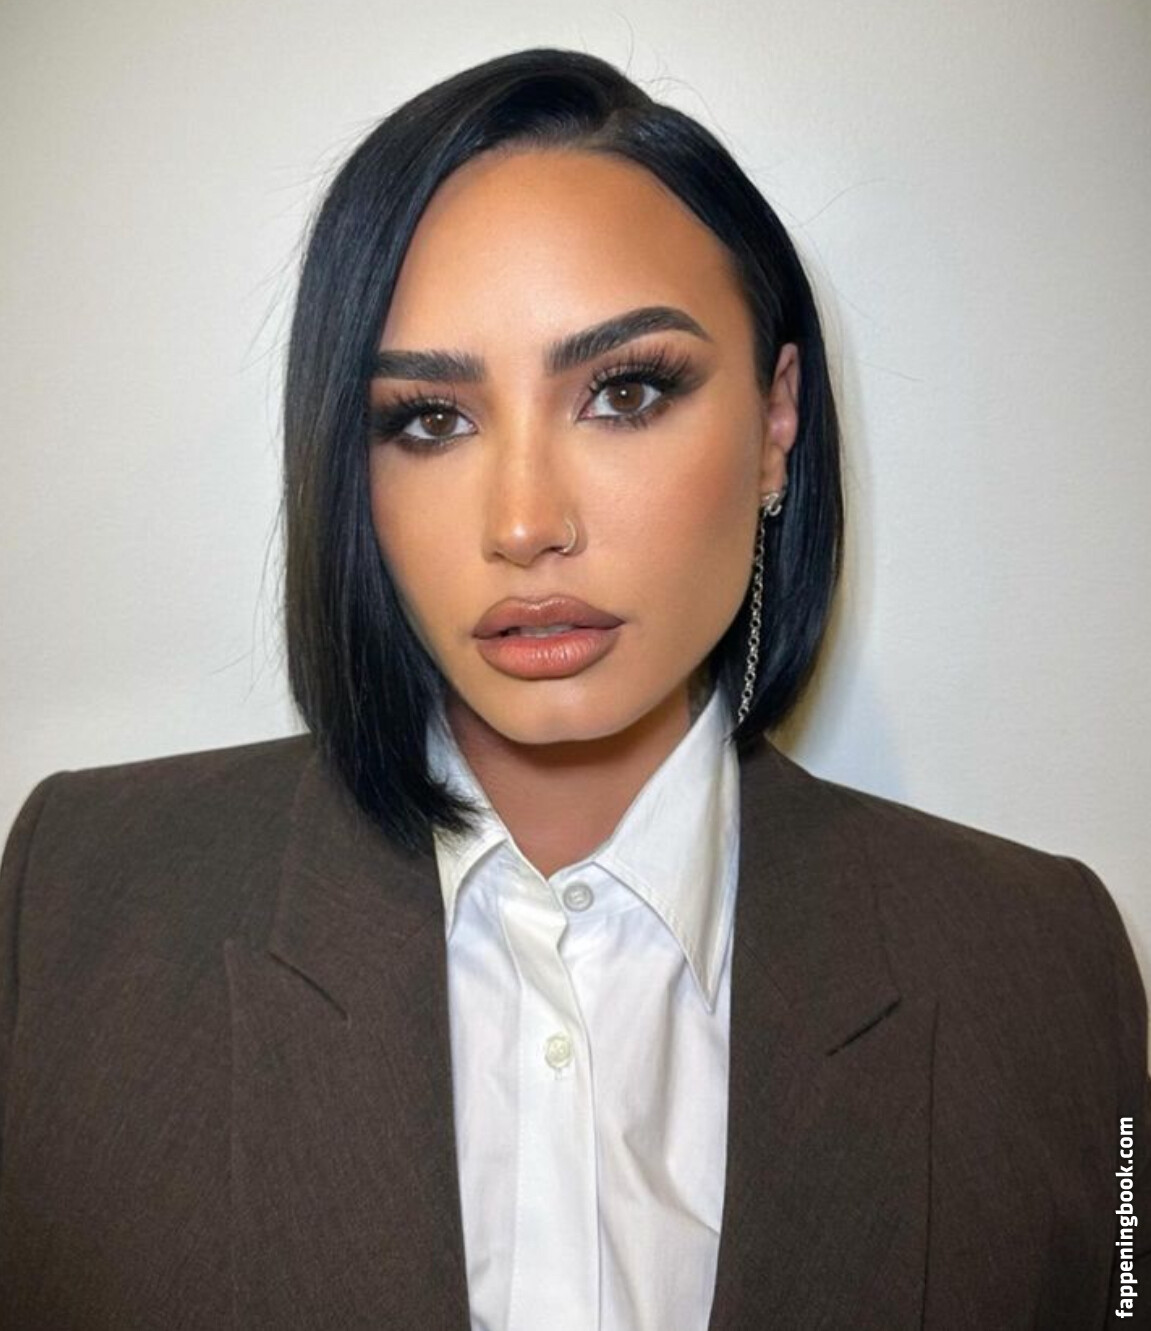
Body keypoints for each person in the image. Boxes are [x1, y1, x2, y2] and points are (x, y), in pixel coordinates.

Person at [0, 45, 1146, 1331]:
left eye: (625, 391)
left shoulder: (1040, 968)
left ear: (776, 422)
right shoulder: (79, 904)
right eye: (429, 418)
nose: (525, 523)